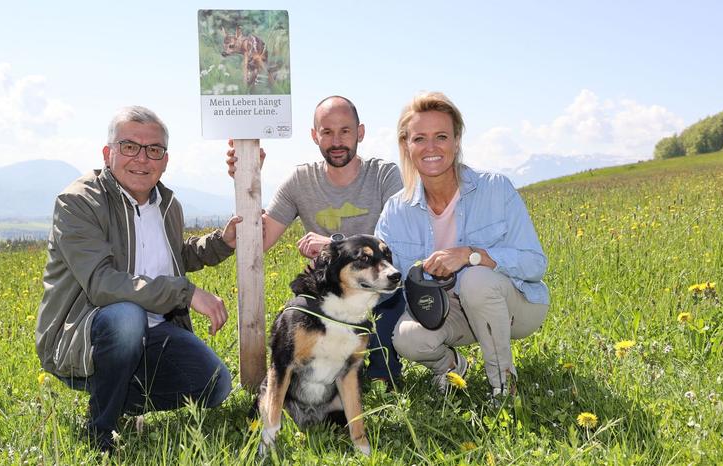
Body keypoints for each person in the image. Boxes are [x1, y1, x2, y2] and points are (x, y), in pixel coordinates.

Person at [36, 106, 240, 452]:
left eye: (154, 150)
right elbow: (102, 282)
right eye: (130, 146)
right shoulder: (79, 202)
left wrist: (222, 241)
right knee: (126, 316)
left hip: (156, 332)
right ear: (108, 153)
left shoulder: (166, 203)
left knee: (215, 385)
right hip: (86, 333)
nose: (142, 159)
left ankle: (123, 398)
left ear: (165, 159)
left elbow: (175, 255)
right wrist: (185, 293)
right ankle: (101, 428)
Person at [375, 92, 549, 397]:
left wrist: (473, 256)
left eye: (441, 136)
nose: (431, 147)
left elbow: (535, 263)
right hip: (448, 311)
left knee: (475, 279)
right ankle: (451, 366)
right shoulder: (395, 209)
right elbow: (380, 280)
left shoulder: (495, 188)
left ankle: (503, 385)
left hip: (515, 306)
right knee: (407, 337)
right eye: (419, 138)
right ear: (406, 145)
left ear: (457, 141)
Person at [226, 96, 405, 387]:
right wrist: (246, 177)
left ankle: (381, 365)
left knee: (380, 376)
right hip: (331, 292)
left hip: (379, 291)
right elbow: (260, 241)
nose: (336, 141)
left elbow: (398, 243)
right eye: (327, 132)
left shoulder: (384, 175)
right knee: (296, 313)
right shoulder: (300, 181)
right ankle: (298, 374)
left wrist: (333, 244)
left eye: (345, 131)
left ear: (360, 132)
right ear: (314, 136)